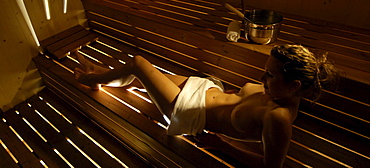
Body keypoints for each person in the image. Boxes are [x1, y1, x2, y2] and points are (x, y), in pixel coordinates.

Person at [74, 44, 339, 168]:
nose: (261, 79)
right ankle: (101, 73)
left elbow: (271, 167)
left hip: (190, 112)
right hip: (204, 89)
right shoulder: (279, 93)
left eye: (270, 76)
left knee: (138, 64)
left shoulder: (278, 118)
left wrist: (221, 145)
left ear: (294, 86)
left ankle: (91, 79)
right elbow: (239, 98)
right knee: (144, 79)